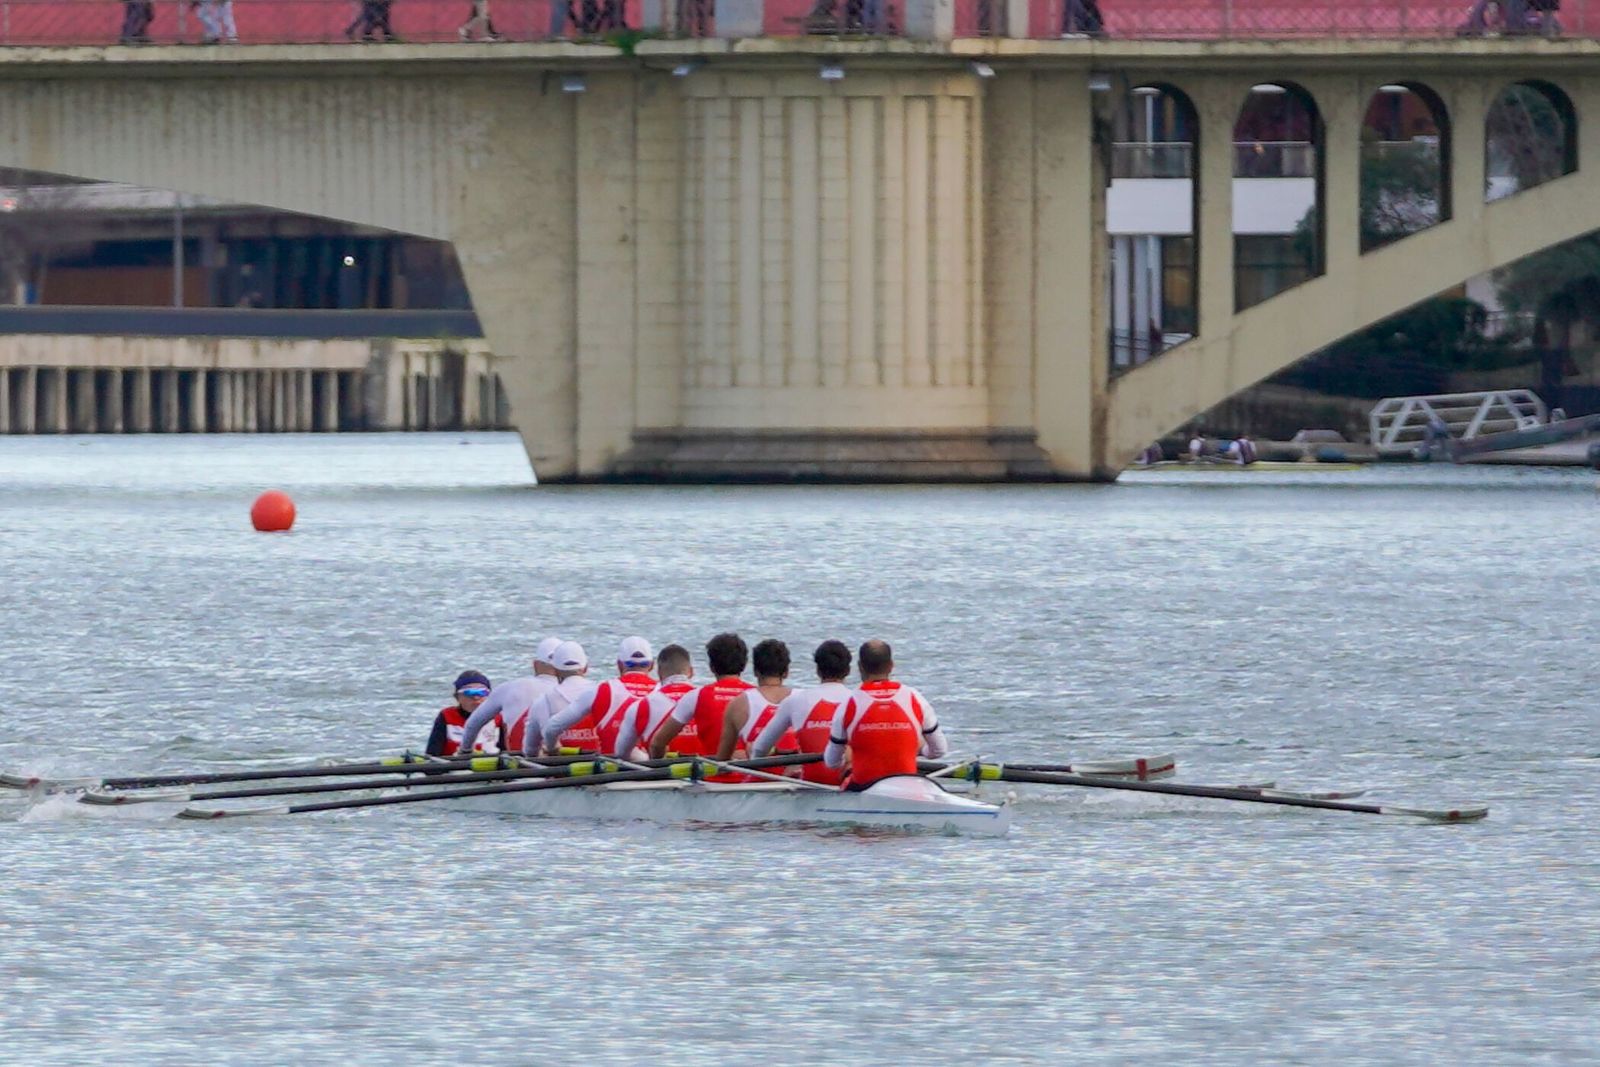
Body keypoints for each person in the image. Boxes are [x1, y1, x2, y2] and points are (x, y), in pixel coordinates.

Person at [824, 639, 949, 791]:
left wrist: (849, 757)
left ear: (860, 667)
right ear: (891, 666)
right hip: (909, 789)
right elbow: (939, 751)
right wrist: (919, 749)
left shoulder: (848, 704)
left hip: (864, 789)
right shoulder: (914, 697)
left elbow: (831, 762)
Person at [750, 639, 853, 786]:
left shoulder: (795, 701)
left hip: (811, 787)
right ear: (848, 671)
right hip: (849, 787)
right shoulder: (858, 701)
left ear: (817, 670)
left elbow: (759, 750)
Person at [540, 636, 659, 756]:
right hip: (660, 767)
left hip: (614, 769)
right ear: (652, 665)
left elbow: (552, 728)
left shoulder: (599, 690)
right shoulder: (663, 691)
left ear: (619, 665)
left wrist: (552, 748)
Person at [649, 633, 751, 762]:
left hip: (713, 777)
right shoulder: (758, 695)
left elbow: (657, 743)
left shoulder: (695, 696)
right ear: (745, 664)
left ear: (711, 667)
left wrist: (658, 764)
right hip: (759, 777)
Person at [455, 635, 563, 755]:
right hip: (569, 760)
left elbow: (472, 725)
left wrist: (465, 751)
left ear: (535, 664)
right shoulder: (580, 691)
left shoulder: (509, 688)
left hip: (522, 763)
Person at [715, 638, 794, 764]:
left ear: (755, 672)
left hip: (758, 778)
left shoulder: (738, 704)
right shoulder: (803, 699)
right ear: (786, 673)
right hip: (799, 779)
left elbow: (722, 759)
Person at [611, 644, 695, 758]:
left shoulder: (639, 706)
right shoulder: (705, 697)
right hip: (707, 771)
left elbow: (621, 753)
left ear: (659, 672)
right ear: (691, 672)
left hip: (660, 772)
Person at [524, 641, 597, 756]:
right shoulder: (605, 693)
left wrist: (550, 748)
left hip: (560, 768)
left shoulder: (543, 701)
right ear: (586, 668)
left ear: (555, 670)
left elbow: (529, 750)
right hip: (603, 766)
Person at [425, 671, 498, 757]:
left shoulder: (499, 717)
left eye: (482, 692)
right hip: (453, 767)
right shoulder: (446, 716)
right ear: (457, 697)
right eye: (469, 692)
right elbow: (432, 754)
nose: (476, 697)